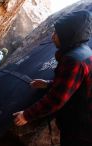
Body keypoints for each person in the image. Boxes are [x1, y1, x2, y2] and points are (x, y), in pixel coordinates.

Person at [13, 10, 92, 145]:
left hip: (81, 128)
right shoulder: (84, 51)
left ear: (68, 36)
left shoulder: (73, 60)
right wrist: (49, 84)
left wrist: (27, 115)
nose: (52, 36)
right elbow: (76, 86)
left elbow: (57, 98)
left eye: (57, 33)